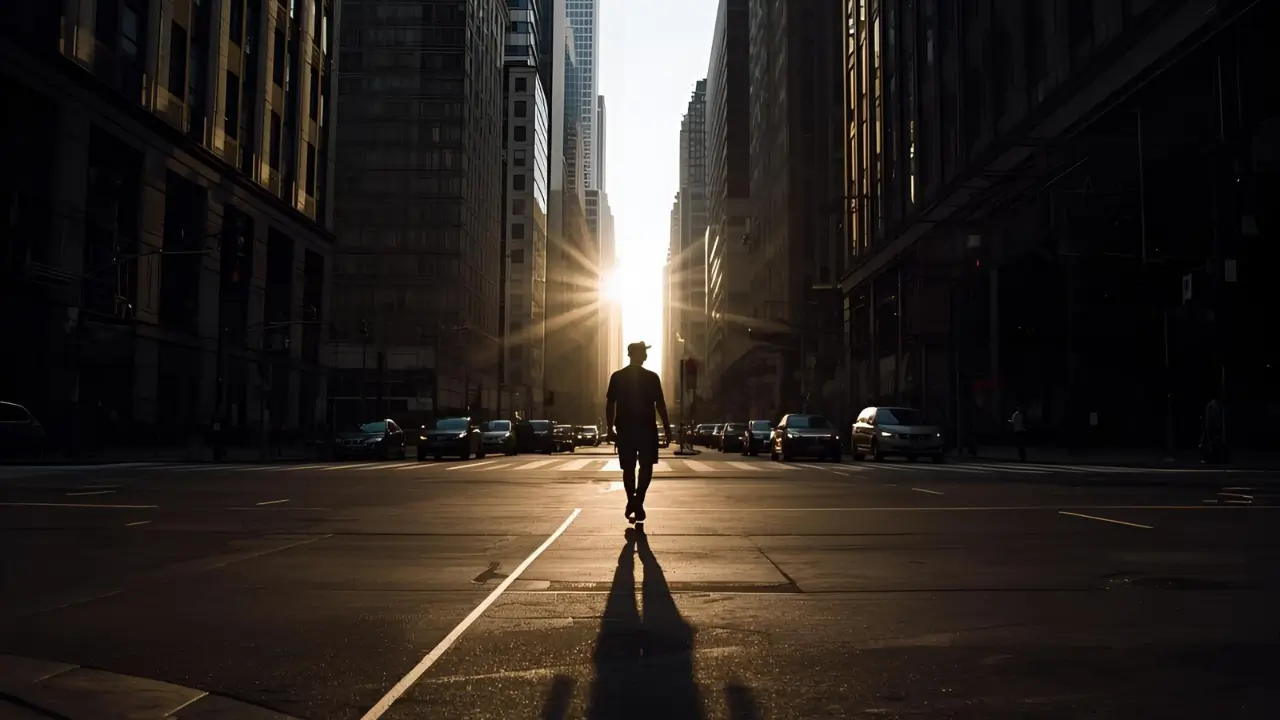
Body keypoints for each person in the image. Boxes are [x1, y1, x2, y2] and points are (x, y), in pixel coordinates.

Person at [606, 342, 672, 525]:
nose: (646, 356)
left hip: (625, 429)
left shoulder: (617, 377)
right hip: (646, 430)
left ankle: (632, 501)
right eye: (644, 352)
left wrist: (609, 428)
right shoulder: (652, 377)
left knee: (628, 468)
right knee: (646, 467)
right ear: (635, 354)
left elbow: (610, 405)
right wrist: (667, 429)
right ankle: (638, 500)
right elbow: (660, 405)